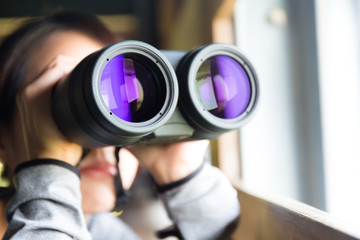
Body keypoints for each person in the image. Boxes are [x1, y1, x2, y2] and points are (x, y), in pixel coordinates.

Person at [0, 12, 240, 240]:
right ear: (3, 139)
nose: (102, 143)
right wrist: (48, 171)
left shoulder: (103, 231)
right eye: (61, 105)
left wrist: (180, 173)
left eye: (120, 108)